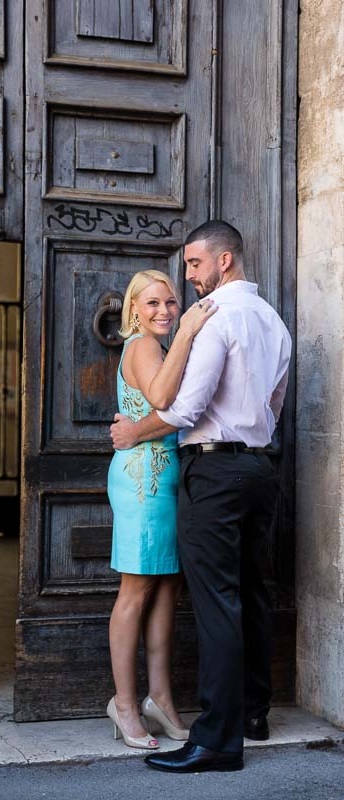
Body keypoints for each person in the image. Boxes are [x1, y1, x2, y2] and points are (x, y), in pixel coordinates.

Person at [110, 221, 291, 773]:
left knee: (217, 604)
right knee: (254, 593)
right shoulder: (273, 321)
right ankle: (253, 714)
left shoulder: (215, 318)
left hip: (214, 471)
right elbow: (276, 400)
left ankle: (216, 739)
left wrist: (134, 431)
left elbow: (185, 407)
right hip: (260, 467)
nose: (189, 278)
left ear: (224, 261)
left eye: (193, 265)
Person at [107, 269, 217, 749]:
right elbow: (162, 398)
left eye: (171, 303)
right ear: (133, 308)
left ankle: (162, 700)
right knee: (135, 592)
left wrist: (137, 427)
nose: (165, 312)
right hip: (142, 482)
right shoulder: (143, 347)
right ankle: (125, 705)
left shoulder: (161, 347)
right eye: (152, 303)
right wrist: (190, 330)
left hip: (167, 475)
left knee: (167, 590)